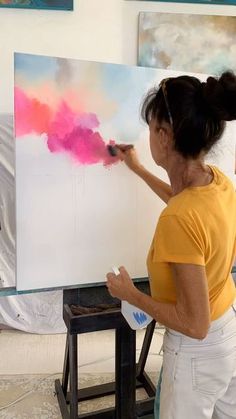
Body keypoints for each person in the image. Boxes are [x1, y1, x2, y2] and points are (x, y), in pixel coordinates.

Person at [106, 71, 236, 419]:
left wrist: (130, 294)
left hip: (197, 353)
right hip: (228, 333)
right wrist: (138, 169)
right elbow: (183, 207)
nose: (148, 137)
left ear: (165, 136)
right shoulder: (217, 183)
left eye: (150, 128)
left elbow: (195, 325)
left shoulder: (178, 219)